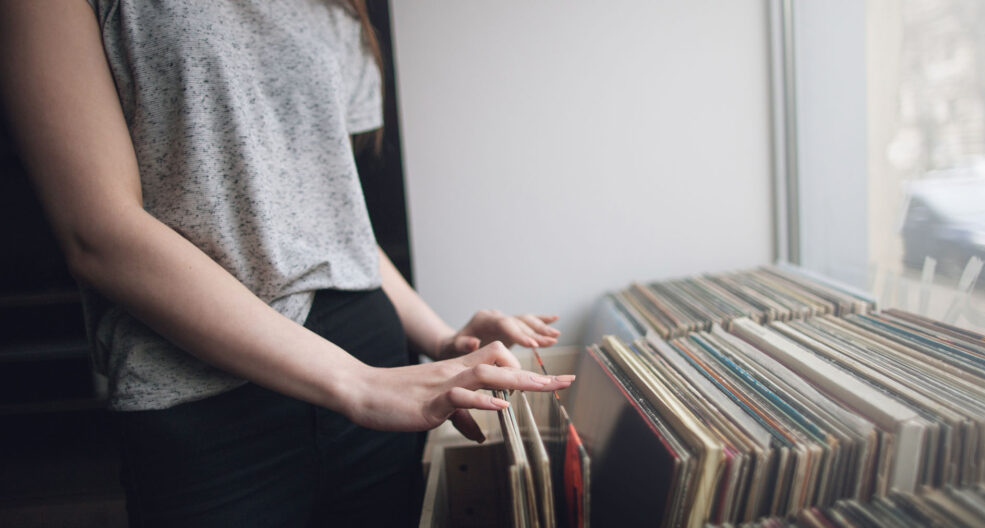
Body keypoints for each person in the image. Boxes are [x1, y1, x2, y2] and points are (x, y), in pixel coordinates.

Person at [0, 1, 573, 526]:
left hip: (370, 364)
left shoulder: (337, 7)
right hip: (203, 399)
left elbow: (331, 222)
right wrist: (361, 384)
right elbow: (97, 233)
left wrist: (443, 339)